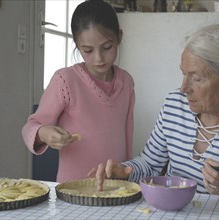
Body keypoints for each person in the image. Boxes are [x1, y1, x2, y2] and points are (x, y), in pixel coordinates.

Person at [88, 24, 219, 219]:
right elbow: (150, 164)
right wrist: (125, 171)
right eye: (184, 74)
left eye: (196, 78)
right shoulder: (175, 106)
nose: (183, 88)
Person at [22, 0, 135, 183]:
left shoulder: (126, 82)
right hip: (73, 189)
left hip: (117, 187)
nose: (98, 58)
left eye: (107, 47)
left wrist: (129, 174)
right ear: (77, 45)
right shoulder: (65, 81)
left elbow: (127, 136)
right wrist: (44, 133)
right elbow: (30, 127)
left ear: (119, 38)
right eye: (88, 50)